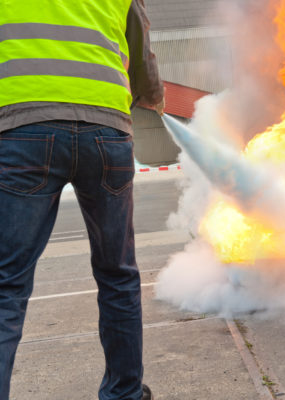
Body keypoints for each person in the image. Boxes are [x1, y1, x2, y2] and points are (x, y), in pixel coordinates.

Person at [0, 0, 165, 399]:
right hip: (106, 130)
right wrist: (152, 96)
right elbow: (142, 54)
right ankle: (124, 393)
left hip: (24, 127)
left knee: (7, 284)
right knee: (118, 275)